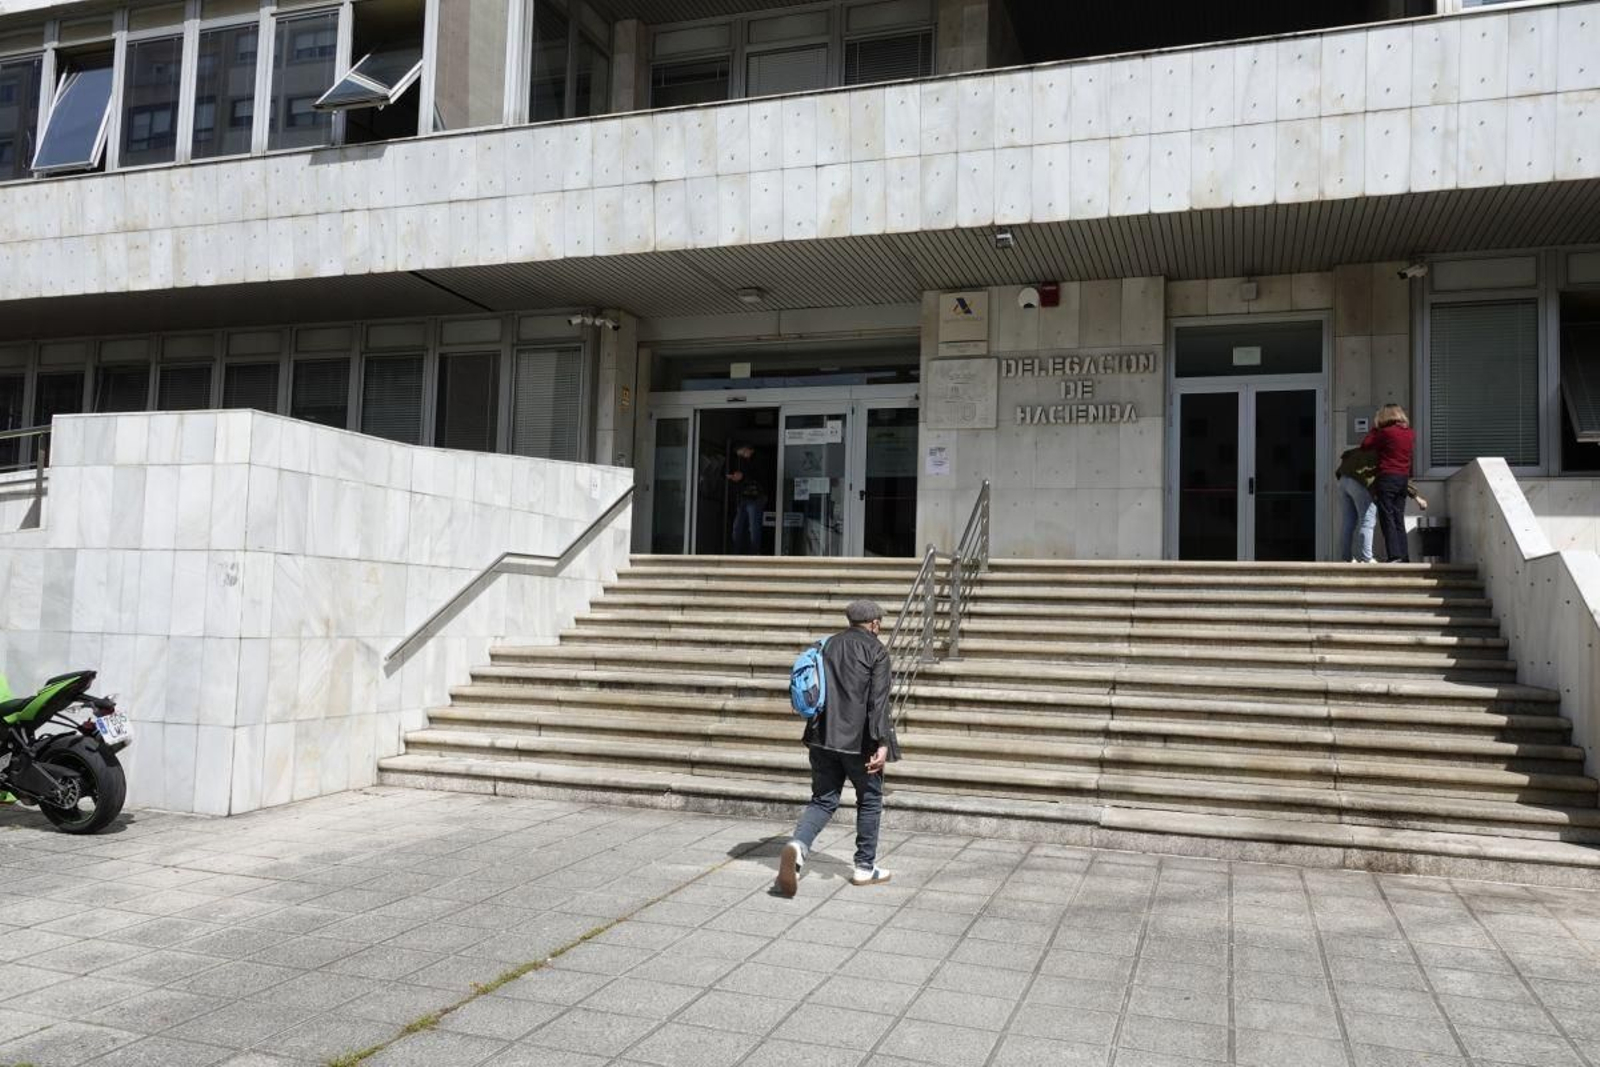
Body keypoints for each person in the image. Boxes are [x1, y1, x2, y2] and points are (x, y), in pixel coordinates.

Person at [775, 599, 901, 897]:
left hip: (821, 736)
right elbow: (878, 703)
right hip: (860, 742)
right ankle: (864, 867)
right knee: (869, 799)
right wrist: (883, 743)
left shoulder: (826, 645)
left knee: (822, 800)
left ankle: (798, 846)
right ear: (874, 624)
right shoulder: (877, 651)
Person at [1362, 404, 1416, 563]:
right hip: (1402, 479)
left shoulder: (1385, 433)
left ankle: (1394, 555)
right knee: (1399, 517)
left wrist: (1374, 427)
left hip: (1387, 477)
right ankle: (1404, 556)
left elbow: (1365, 445)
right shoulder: (1409, 433)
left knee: (1387, 517)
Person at [1335, 446, 1379, 563]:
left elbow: (1345, 455)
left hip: (1343, 480)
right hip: (1358, 482)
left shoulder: (1360, 450)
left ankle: (1346, 557)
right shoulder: (1382, 451)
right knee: (1367, 520)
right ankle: (1367, 558)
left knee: (1348, 521)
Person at [726, 442, 766, 555]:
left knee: (753, 527)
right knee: (737, 527)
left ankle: (754, 553)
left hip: (755, 497)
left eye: (744, 452)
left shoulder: (759, 459)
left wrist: (742, 477)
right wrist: (733, 477)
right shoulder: (739, 461)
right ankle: (736, 552)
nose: (743, 455)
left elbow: (759, 476)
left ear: (749, 450)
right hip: (742, 497)